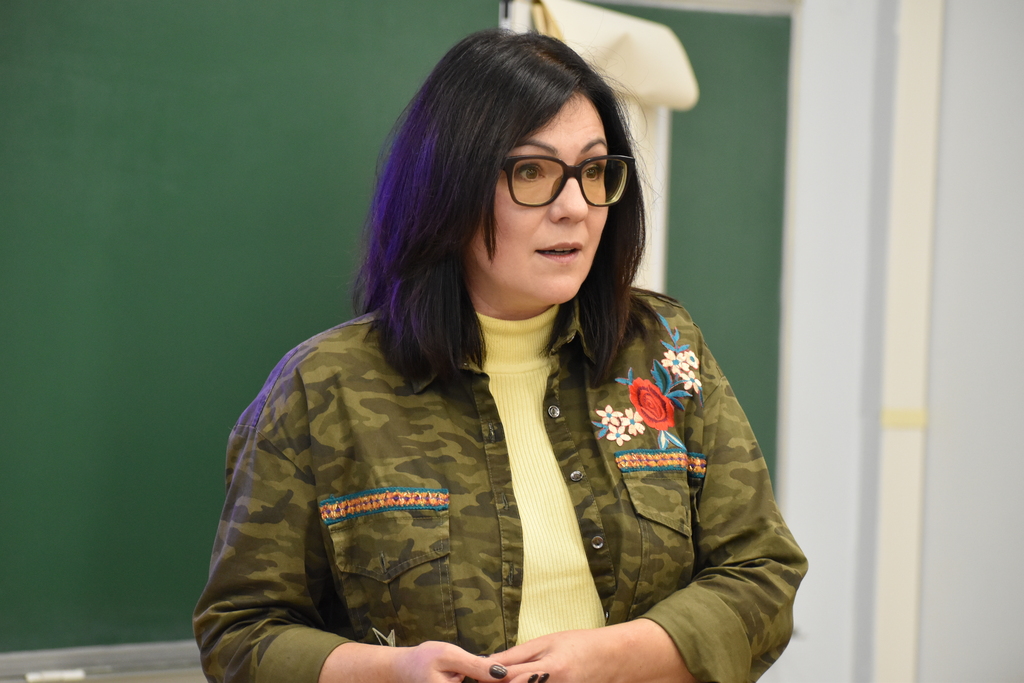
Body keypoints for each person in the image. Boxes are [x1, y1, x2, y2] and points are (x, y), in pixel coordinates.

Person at [193, 28, 806, 683]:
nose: (575, 207)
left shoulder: (663, 349)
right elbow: (240, 635)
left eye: (593, 171)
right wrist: (391, 671)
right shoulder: (323, 389)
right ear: (451, 189)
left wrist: (616, 657)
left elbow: (763, 575)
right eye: (531, 172)